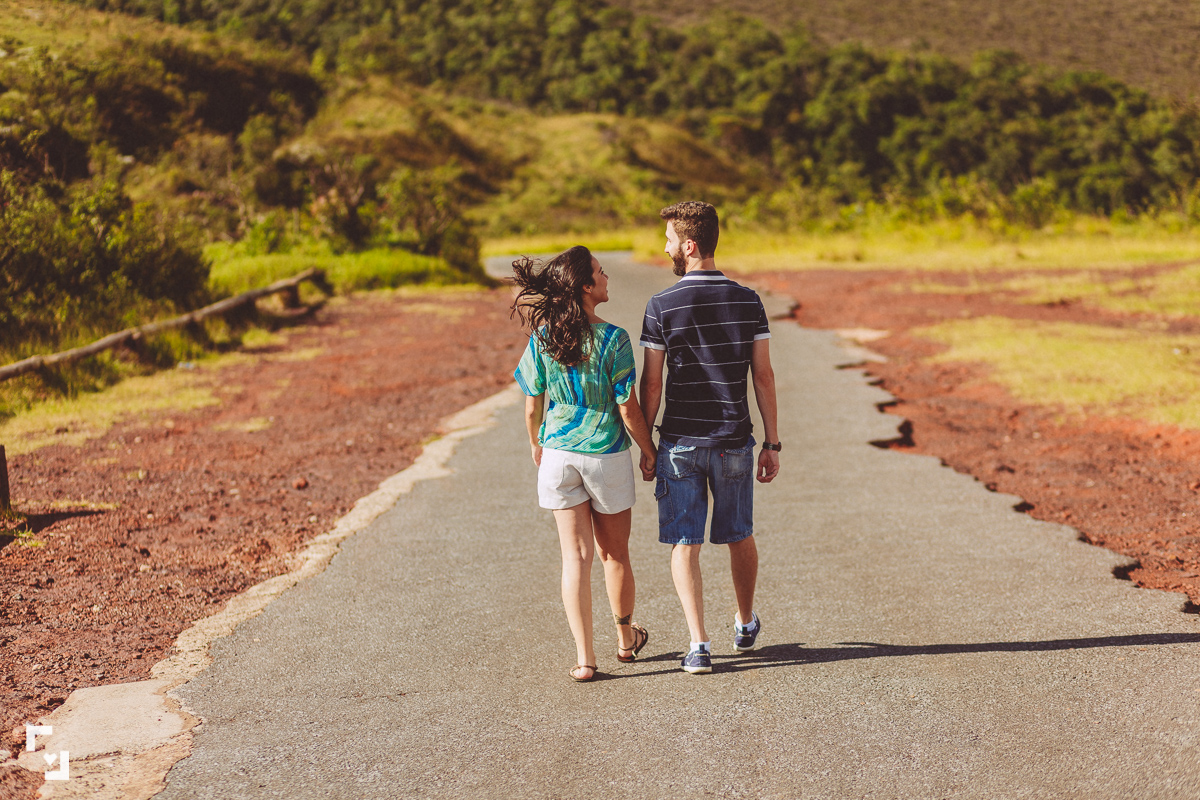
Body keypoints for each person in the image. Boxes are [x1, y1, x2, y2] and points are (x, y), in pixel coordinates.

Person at [639, 201, 781, 675]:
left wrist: (646, 445)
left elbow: (652, 384)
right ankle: (744, 623)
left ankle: (698, 645)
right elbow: (763, 376)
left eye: (669, 239)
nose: (665, 247)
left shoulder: (661, 305)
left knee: (686, 542)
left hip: (679, 444)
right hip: (734, 441)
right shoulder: (748, 300)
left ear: (690, 244)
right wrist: (773, 442)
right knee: (739, 534)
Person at [511, 246, 658, 683]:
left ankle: (584, 659)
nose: (607, 275)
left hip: (556, 455)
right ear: (587, 288)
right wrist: (649, 453)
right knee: (614, 555)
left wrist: (537, 444)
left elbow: (531, 404)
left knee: (574, 560)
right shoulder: (614, 339)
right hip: (605, 456)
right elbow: (628, 409)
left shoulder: (542, 337)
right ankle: (626, 641)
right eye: (600, 272)